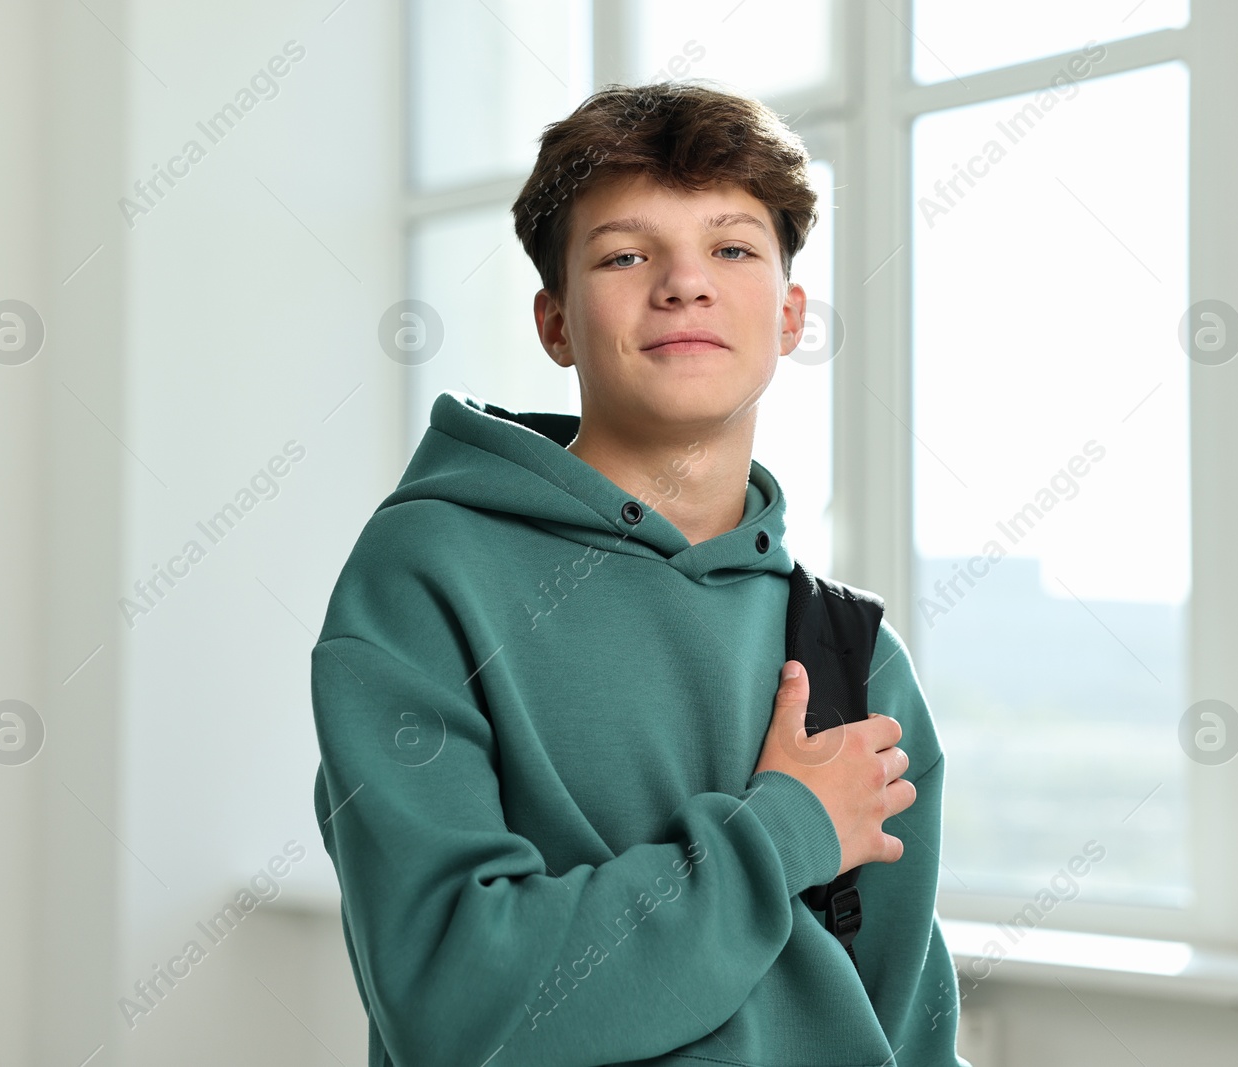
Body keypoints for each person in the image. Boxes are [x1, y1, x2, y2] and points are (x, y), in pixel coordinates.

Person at [311, 80, 966, 1067]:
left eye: (732, 248)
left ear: (788, 313)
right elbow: (455, 1011)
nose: (684, 282)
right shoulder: (426, 576)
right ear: (556, 321)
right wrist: (783, 829)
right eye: (625, 253)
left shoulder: (852, 656)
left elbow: (907, 1022)